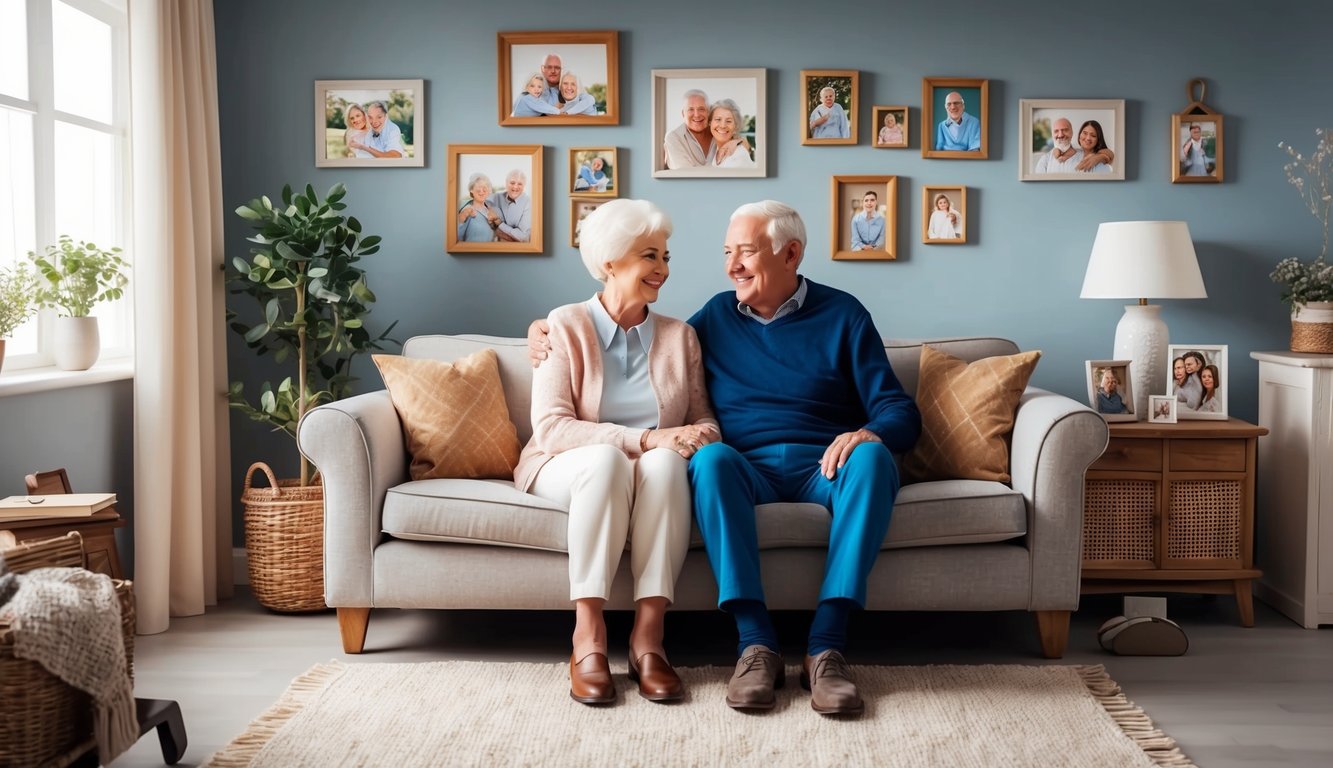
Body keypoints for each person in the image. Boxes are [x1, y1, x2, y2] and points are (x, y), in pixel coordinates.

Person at [530, 200, 921, 716]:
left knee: (874, 460)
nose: (732, 265)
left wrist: (869, 433)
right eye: (727, 252)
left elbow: (898, 409)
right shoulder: (714, 317)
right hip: (745, 466)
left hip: (823, 465)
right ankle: (755, 645)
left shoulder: (844, 314)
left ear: (791, 253)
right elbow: (631, 329)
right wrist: (545, 330)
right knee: (710, 460)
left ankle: (826, 647)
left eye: (746, 252)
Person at [513, 198, 718, 706]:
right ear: (610, 262)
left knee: (667, 463)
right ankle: (589, 637)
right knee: (611, 459)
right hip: (566, 465)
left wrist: (691, 439)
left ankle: (649, 640)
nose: (663, 269)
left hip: (651, 470)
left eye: (666, 257)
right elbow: (553, 428)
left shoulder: (680, 337)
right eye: (650, 256)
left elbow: (706, 420)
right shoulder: (562, 326)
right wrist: (646, 439)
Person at [663, 89, 747, 169]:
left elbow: (742, 143)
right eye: (691, 109)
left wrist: (735, 142)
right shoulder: (674, 137)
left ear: (708, 111)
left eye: (701, 109)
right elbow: (685, 175)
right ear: (683, 114)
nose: (696, 115)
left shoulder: (718, 132)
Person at [708, 99, 755, 169]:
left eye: (729, 121)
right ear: (710, 123)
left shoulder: (738, 158)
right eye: (718, 119)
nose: (723, 125)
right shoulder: (712, 149)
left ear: (735, 127)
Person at [488, 169, 531, 243]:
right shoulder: (496, 197)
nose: (515, 187)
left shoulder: (529, 203)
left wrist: (499, 223)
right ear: (506, 183)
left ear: (524, 186)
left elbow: (524, 238)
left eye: (520, 184)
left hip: (518, 250)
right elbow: (477, 203)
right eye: (512, 183)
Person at [456, 173, 500, 242]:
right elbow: (457, 238)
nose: (481, 192)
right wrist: (461, 220)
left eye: (484, 189)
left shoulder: (491, 212)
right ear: (471, 190)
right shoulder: (467, 210)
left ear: (488, 191)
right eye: (478, 189)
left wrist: (497, 222)